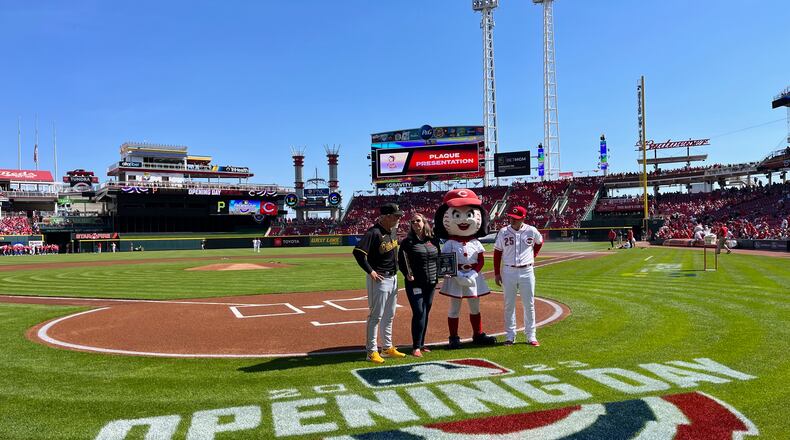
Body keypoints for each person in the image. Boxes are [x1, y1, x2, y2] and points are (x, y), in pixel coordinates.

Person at [434, 189, 497, 349]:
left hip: (473, 276)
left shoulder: (476, 242)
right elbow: (445, 263)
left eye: (468, 214)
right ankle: (453, 337)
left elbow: (481, 260)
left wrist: (473, 274)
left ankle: (478, 334)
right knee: (454, 307)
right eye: (456, 215)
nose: (463, 219)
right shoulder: (449, 243)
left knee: (475, 306)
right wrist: (457, 276)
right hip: (455, 278)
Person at [353, 203, 406, 364]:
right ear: (386, 216)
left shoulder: (393, 231)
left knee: (389, 315)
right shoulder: (373, 232)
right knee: (376, 316)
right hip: (380, 279)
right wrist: (371, 271)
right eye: (396, 216)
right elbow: (358, 253)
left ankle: (387, 348)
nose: (399, 218)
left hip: (393, 278)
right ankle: (371, 351)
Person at [494, 206, 544, 346]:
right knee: (509, 305)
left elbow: (539, 242)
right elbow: (497, 252)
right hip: (509, 271)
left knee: (529, 304)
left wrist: (533, 255)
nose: (512, 220)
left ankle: (531, 336)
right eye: (511, 217)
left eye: (515, 218)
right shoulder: (503, 231)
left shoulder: (531, 230)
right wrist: (497, 273)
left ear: (522, 218)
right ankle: (510, 336)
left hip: (527, 271)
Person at [398, 213, 440, 358]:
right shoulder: (407, 242)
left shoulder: (433, 240)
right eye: (413, 221)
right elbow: (402, 262)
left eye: (418, 220)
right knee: (419, 312)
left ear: (424, 222)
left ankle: (421, 344)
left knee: (426, 311)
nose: (415, 223)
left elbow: (438, 258)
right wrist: (406, 274)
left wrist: (444, 272)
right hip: (414, 283)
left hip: (431, 282)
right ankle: (415, 346)